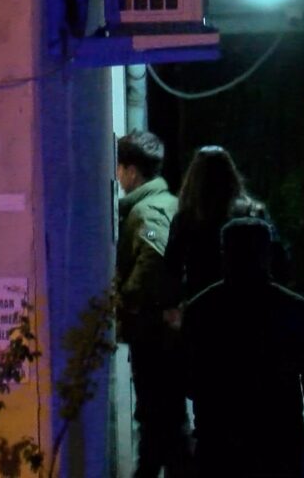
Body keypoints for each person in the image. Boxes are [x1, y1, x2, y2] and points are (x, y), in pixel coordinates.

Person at [181, 218, 304, 478]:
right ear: (267, 255)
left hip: (219, 445)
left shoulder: (200, 309)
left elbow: (187, 381)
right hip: (280, 443)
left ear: (225, 255)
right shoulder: (292, 308)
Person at [113, 130, 190, 478]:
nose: (117, 177)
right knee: (163, 422)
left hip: (154, 334)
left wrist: (126, 298)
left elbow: (154, 260)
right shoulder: (166, 203)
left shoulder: (148, 210)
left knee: (161, 417)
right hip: (162, 334)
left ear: (131, 171)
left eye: (119, 168)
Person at [164, 145, 287, 306]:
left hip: (203, 305)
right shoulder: (253, 213)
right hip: (252, 302)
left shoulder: (186, 219)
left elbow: (172, 268)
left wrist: (173, 304)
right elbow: (278, 258)